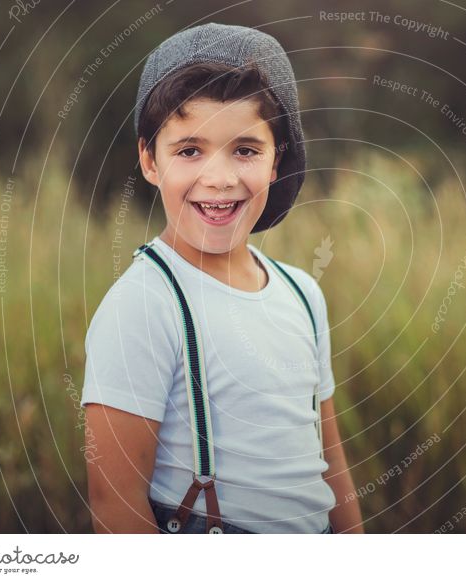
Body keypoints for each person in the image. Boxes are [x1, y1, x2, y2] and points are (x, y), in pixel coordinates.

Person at [80, 22, 363, 534]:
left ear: (278, 159)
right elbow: (114, 507)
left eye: (246, 150)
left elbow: (330, 466)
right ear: (149, 160)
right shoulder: (145, 305)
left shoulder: (303, 294)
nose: (219, 178)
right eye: (189, 151)